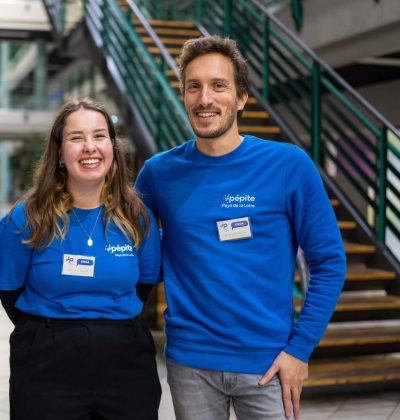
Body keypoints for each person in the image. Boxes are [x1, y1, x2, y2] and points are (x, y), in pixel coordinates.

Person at [135, 36, 346, 420]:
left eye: (219, 85)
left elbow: (330, 261)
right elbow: (143, 256)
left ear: (242, 97)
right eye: (193, 87)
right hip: (190, 363)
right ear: (183, 96)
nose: (205, 99)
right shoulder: (158, 174)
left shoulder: (288, 165)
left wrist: (300, 349)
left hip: (268, 363)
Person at [0, 98, 162, 420]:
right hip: (46, 363)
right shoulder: (27, 217)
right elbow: (8, 290)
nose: (90, 147)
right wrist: (53, 329)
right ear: (59, 153)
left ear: (112, 147)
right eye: (77, 138)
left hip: (125, 363)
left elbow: (144, 284)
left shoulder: (136, 216)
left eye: (100, 136)